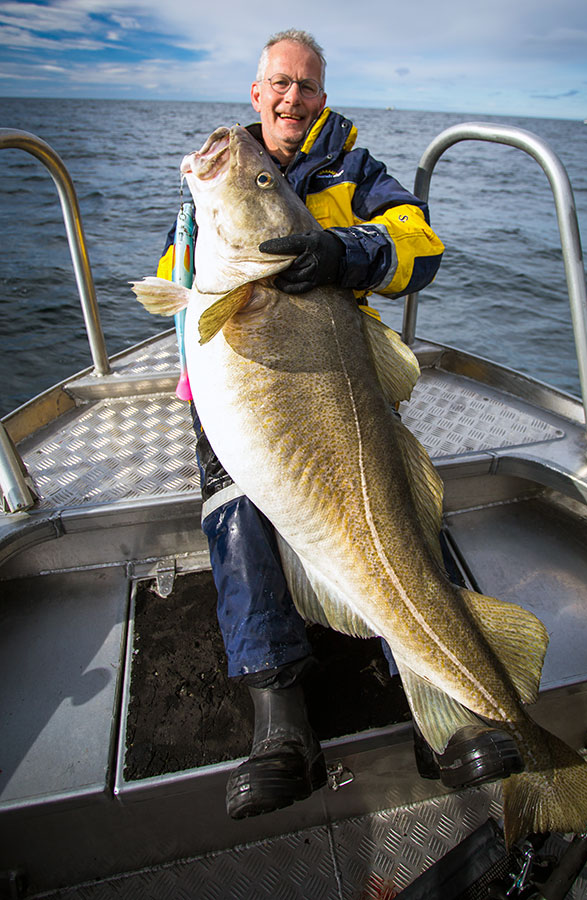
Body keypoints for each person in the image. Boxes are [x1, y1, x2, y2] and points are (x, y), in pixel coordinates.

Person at [157, 28, 522, 820]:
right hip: (247, 388)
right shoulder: (206, 202)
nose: (293, 98)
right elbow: (171, 283)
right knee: (234, 504)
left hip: (346, 394)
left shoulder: (355, 170)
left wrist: (342, 250)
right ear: (257, 94)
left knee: (398, 516)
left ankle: (454, 710)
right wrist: (202, 248)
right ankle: (279, 719)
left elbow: (420, 246)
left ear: (324, 98)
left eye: (308, 86)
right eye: (279, 84)